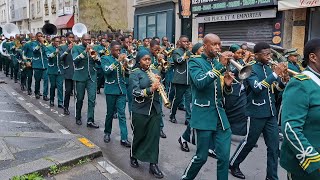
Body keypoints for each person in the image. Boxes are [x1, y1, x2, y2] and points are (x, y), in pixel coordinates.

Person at [229, 42, 288, 180]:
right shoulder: (250, 69)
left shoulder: (268, 69)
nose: (269, 56)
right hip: (256, 111)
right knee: (249, 142)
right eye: (266, 54)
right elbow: (257, 88)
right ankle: (233, 164)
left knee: (274, 147)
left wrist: (283, 82)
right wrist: (275, 74)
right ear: (256, 55)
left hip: (270, 113)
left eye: (270, 53)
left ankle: (271, 177)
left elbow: (275, 90)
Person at [181, 34, 234, 180]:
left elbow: (220, 92)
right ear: (205, 46)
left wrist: (228, 86)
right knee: (201, 157)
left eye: (219, 44)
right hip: (203, 115)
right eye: (214, 44)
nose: (218, 47)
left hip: (220, 116)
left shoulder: (217, 63)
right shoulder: (194, 61)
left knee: (224, 157)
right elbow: (200, 83)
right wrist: (219, 67)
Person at [280, 39, 320, 180]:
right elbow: (290, 128)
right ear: (313, 57)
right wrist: (313, 162)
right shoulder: (300, 84)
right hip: (308, 168)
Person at [129, 50, 164, 179]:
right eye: (145, 59)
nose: (148, 62)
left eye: (149, 59)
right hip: (140, 109)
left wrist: (160, 85)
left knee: (154, 137)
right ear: (139, 61)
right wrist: (151, 89)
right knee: (139, 135)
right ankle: (133, 155)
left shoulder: (155, 72)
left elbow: (159, 88)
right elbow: (135, 92)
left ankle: (153, 164)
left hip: (155, 108)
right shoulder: (135, 74)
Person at [101, 41, 131, 147]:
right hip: (111, 90)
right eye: (116, 50)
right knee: (110, 113)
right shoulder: (105, 59)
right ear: (111, 50)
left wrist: (127, 66)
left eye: (120, 50)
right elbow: (106, 71)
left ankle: (124, 138)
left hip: (122, 90)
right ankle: (107, 133)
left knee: (122, 115)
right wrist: (118, 61)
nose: (118, 52)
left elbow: (127, 75)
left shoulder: (122, 61)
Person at [72, 33, 100, 128]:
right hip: (80, 76)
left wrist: (96, 57)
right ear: (82, 40)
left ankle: (90, 120)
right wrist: (85, 52)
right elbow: (75, 60)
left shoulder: (94, 48)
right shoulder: (76, 48)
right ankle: (78, 117)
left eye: (89, 40)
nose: (87, 42)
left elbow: (99, 63)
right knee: (80, 98)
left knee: (92, 99)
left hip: (91, 77)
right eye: (85, 40)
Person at [224, 44, 248, 136]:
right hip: (231, 90)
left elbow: (247, 71)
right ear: (233, 53)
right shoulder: (228, 62)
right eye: (238, 53)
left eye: (241, 53)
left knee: (243, 112)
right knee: (229, 112)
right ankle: (226, 130)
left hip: (241, 91)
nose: (240, 55)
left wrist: (243, 61)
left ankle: (244, 133)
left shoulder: (241, 61)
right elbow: (231, 72)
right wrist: (241, 63)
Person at [169, 35, 191, 125]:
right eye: (184, 42)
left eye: (187, 42)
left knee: (188, 100)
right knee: (177, 99)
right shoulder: (176, 51)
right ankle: (172, 115)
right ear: (180, 42)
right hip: (180, 79)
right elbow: (178, 60)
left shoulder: (189, 52)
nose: (186, 43)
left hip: (189, 80)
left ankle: (188, 119)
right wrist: (186, 55)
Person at [45, 36, 64, 108]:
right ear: (53, 41)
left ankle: (60, 102)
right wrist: (55, 52)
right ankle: (52, 100)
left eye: (59, 41)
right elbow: (48, 56)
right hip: (52, 70)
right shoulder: (48, 48)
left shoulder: (61, 48)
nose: (58, 43)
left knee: (60, 86)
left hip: (60, 70)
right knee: (53, 86)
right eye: (56, 41)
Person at [60, 32, 75, 115]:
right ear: (66, 38)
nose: (71, 39)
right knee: (68, 91)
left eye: (72, 38)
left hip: (77, 72)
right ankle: (66, 107)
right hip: (68, 71)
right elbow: (61, 58)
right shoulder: (62, 47)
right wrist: (68, 49)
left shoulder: (76, 46)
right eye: (70, 37)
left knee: (78, 93)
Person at [32, 32, 49, 101]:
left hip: (45, 64)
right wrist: (40, 45)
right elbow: (34, 50)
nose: (40, 37)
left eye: (41, 36)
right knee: (37, 80)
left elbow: (46, 51)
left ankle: (45, 95)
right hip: (37, 65)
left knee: (46, 80)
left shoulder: (45, 43)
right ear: (36, 37)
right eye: (39, 36)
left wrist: (43, 44)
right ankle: (37, 92)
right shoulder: (34, 43)